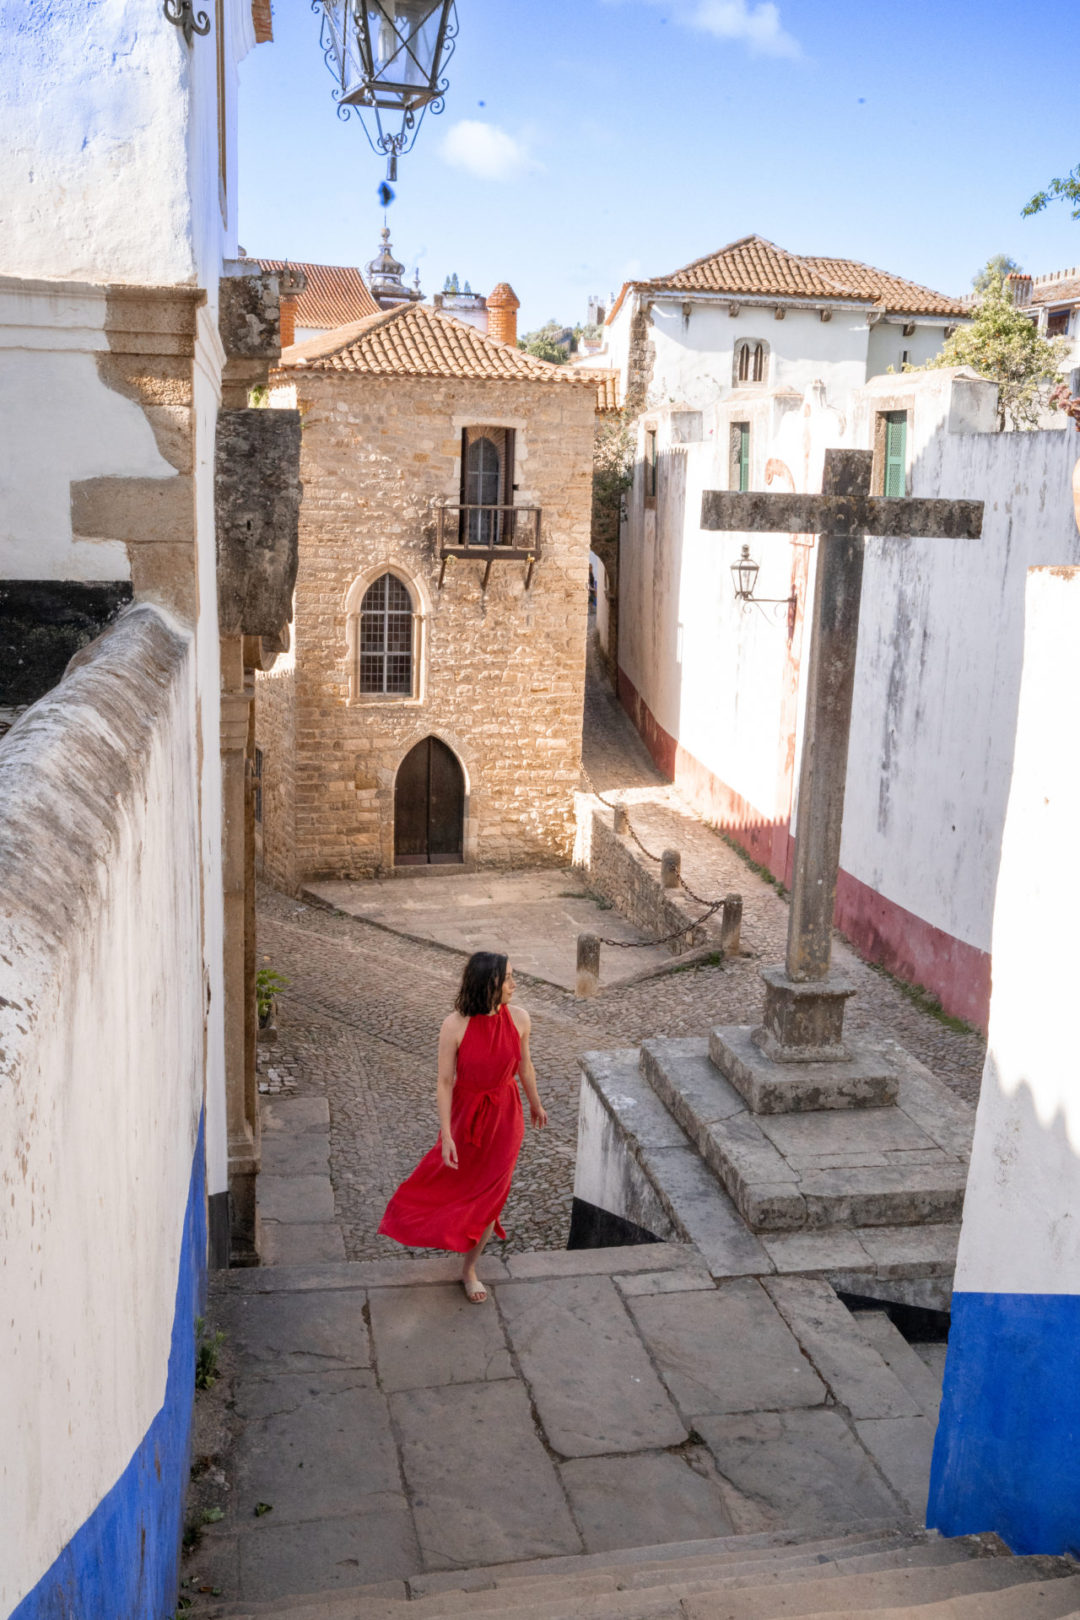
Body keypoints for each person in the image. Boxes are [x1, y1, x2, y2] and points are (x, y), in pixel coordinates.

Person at [378, 951, 547, 1303]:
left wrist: (535, 1103)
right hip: (466, 1116)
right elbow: (443, 1082)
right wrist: (447, 1135)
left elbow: (525, 1067)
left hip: (506, 1117)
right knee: (445, 1183)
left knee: (493, 1195)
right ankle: (418, 1221)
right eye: (508, 978)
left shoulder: (520, 1019)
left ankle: (470, 1268)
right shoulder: (454, 1025)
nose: (515, 985)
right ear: (489, 983)